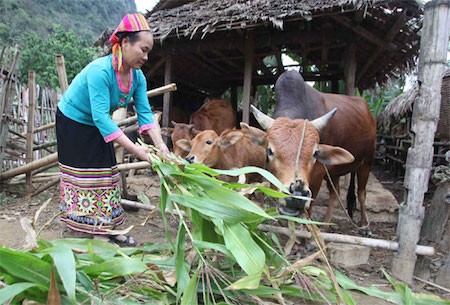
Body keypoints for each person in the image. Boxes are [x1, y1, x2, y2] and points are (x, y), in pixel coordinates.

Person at [56, 13, 169, 246]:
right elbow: (100, 117)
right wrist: (139, 152)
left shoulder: (137, 78)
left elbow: (146, 114)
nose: (146, 57)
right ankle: (95, 231)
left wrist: (161, 146)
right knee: (86, 175)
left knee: (108, 173)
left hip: (97, 123)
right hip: (73, 121)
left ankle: (106, 228)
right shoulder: (101, 71)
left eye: (149, 51)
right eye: (143, 49)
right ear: (125, 43)